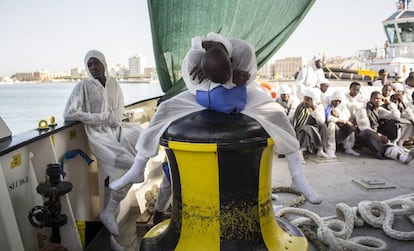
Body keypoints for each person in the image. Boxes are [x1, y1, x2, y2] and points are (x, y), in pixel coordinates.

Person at [110, 32, 322, 204]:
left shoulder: (243, 50)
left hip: (241, 92)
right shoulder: (192, 59)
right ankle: (138, 167)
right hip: (202, 93)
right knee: (164, 109)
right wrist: (218, 83)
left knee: (276, 113)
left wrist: (231, 80)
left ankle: (298, 176)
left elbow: (248, 77)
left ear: (231, 60)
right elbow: (193, 86)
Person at [63, 50, 143, 236]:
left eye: (96, 63)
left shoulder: (114, 83)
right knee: (132, 167)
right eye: (89, 64)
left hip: (117, 130)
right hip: (98, 137)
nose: (93, 67)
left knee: (145, 141)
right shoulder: (82, 86)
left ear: (104, 63)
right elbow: (69, 113)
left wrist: (113, 118)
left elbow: (118, 110)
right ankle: (109, 211)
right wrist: (101, 117)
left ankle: (110, 209)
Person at [354, 91, 414, 163]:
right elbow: (364, 127)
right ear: (370, 99)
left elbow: (396, 116)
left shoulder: (378, 110)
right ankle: (399, 156)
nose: (378, 100)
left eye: (380, 99)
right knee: (368, 133)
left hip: (375, 134)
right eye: (376, 98)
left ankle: (400, 155)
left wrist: (389, 104)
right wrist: (380, 135)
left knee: (394, 122)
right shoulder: (362, 110)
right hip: (363, 135)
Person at [292, 88, 330, 160]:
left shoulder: (318, 106)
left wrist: (313, 109)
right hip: (300, 128)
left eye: (309, 100)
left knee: (323, 126)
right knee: (306, 128)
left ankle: (320, 150)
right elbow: (296, 122)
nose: (306, 102)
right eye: (305, 99)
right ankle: (300, 152)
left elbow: (322, 120)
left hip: (312, 127)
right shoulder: (301, 107)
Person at [325, 90, 360, 158]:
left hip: (341, 125)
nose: (337, 103)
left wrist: (339, 117)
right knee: (331, 124)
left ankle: (348, 148)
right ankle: (330, 150)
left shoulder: (343, 107)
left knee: (351, 125)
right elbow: (328, 118)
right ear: (332, 100)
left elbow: (347, 116)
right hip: (332, 127)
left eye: (339, 101)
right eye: (335, 100)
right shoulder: (328, 107)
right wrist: (344, 121)